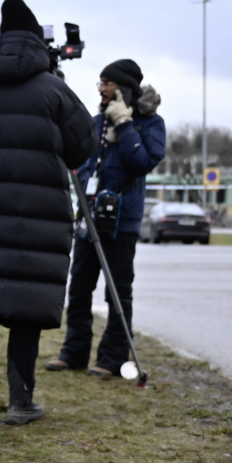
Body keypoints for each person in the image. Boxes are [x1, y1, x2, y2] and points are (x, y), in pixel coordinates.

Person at [0, 0, 95, 425]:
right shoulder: (54, 92)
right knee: (25, 310)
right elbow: (82, 147)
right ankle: (19, 401)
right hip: (38, 222)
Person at [47, 60, 166, 378]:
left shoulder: (150, 125)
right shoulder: (96, 121)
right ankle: (73, 353)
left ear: (123, 88)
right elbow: (82, 160)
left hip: (122, 221)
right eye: (100, 83)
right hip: (89, 217)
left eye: (106, 83)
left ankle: (112, 359)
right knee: (79, 288)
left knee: (117, 291)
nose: (100, 89)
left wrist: (126, 127)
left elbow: (142, 162)